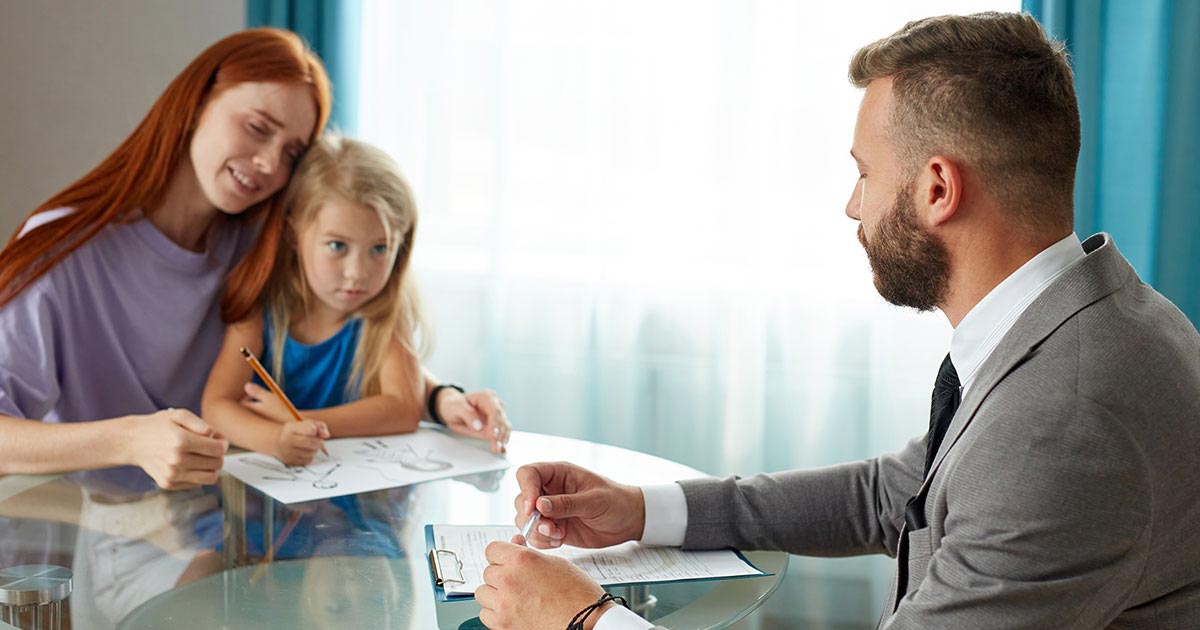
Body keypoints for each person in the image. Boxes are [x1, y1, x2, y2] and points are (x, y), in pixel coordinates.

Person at [475, 12, 1200, 630]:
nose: (853, 206)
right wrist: (638, 510)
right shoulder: (1084, 318)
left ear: (938, 188)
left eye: (865, 173)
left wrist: (584, 618)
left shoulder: (1064, 419)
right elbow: (894, 494)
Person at [0, 28, 332, 491]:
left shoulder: (256, 246)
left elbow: (358, 321)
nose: (268, 165)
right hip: (106, 528)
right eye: (258, 128)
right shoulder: (68, 246)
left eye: (291, 155)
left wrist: (440, 398)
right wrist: (130, 440)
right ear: (197, 103)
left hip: (232, 513)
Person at [201, 134, 511, 464]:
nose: (357, 273)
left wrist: (300, 420)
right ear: (294, 235)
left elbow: (403, 409)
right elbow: (217, 406)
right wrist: (275, 438)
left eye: (379, 248)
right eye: (337, 246)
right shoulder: (262, 306)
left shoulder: (386, 308)